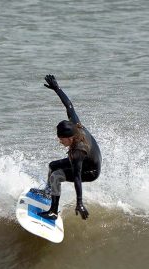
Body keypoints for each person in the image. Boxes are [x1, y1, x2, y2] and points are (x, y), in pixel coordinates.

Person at [35, 74, 102, 221]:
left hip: (90, 170)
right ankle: (48, 192)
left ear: (71, 138)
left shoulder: (78, 151)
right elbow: (69, 105)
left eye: (61, 139)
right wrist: (57, 88)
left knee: (56, 176)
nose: (60, 142)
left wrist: (79, 203)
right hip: (88, 158)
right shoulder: (75, 125)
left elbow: (77, 177)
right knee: (52, 166)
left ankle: (53, 212)